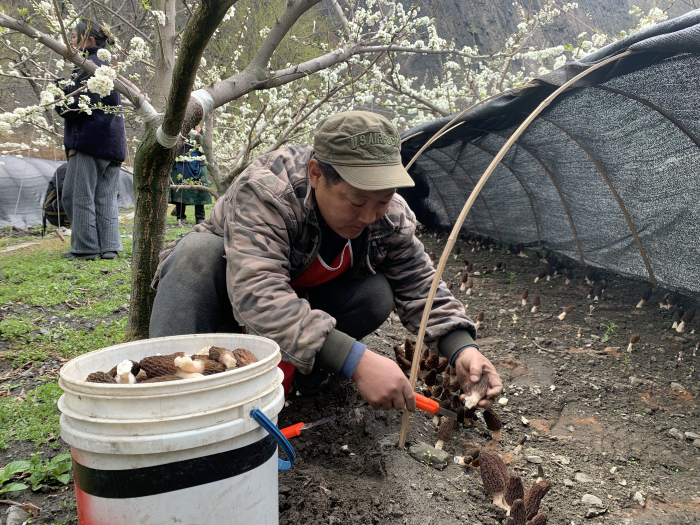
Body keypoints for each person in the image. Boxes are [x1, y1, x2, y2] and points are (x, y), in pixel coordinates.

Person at [149, 111, 502, 412]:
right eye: (357, 201)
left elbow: (418, 282)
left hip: (304, 306)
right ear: (317, 174)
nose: (369, 216)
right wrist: (355, 359)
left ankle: (307, 376)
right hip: (227, 305)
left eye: (382, 200)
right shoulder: (268, 192)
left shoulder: (388, 215)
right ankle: (175, 391)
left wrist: (462, 348)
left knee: (377, 293)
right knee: (197, 254)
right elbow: (257, 293)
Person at [55, 19, 126, 260]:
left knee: (76, 194)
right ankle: (110, 247)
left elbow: (71, 107)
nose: (71, 42)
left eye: (74, 37)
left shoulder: (87, 67)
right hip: (113, 144)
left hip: (89, 142)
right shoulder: (107, 66)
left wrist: (58, 92)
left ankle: (85, 249)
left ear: (89, 41)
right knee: (104, 195)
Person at [169, 126, 212, 224]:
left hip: (198, 161)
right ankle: (181, 217)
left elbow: (204, 144)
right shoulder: (179, 127)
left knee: (200, 188)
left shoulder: (199, 130)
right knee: (180, 188)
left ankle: (200, 217)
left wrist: (197, 131)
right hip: (181, 161)